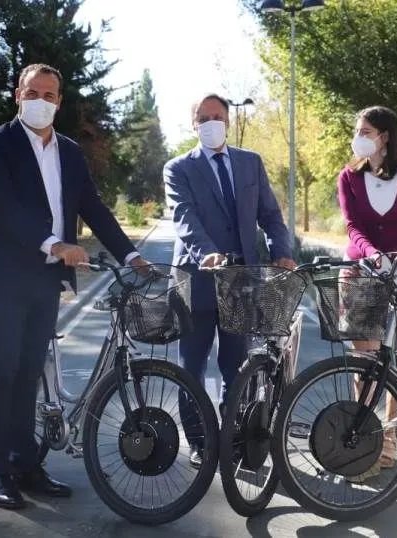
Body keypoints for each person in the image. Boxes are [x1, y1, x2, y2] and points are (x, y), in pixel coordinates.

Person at [0, 63, 148, 510]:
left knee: (29, 372)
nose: (42, 101)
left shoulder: (68, 151)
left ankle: (25, 463)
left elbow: (92, 206)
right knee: (1, 371)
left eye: (50, 95)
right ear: (17, 95)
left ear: (59, 102)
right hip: (2, 274)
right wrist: (54, 243)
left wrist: (131, 255)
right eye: (34, 92)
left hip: (44, 278)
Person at [164, 93, 295, 468]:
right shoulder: (178, 168)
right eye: (202, 117)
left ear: (228, 120)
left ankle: (233, 436)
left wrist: (281, 250)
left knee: (236, 365)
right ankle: (198, 440)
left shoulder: (250, 163)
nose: (210, 122)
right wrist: (206, 251)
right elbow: (184, 217)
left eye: (217, 116)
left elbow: (270, 215)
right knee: (192, 366)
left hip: (242, 281)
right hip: (197, 277)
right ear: (193, 124)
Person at [336, 105, 397, 480]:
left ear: (385, 137)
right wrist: (372, 254)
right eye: (357, 129)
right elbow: (352, 227)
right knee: (363, 359)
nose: (359, 136)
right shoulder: (348, 176)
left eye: (366, 130)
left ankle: (391, 439)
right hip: (361, 272)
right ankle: (361, 438)